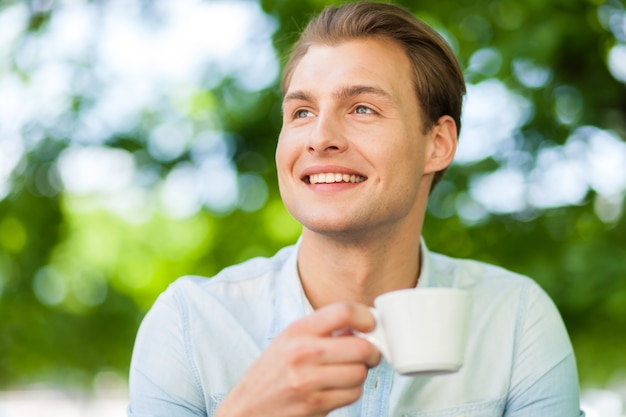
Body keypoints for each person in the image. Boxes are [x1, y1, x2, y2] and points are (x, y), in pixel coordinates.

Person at [128, 2, 585, 416]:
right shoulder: (189, 323)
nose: (319, 136)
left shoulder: (516, 320)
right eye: (302, 112)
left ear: (438, 143)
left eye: (362, 108)